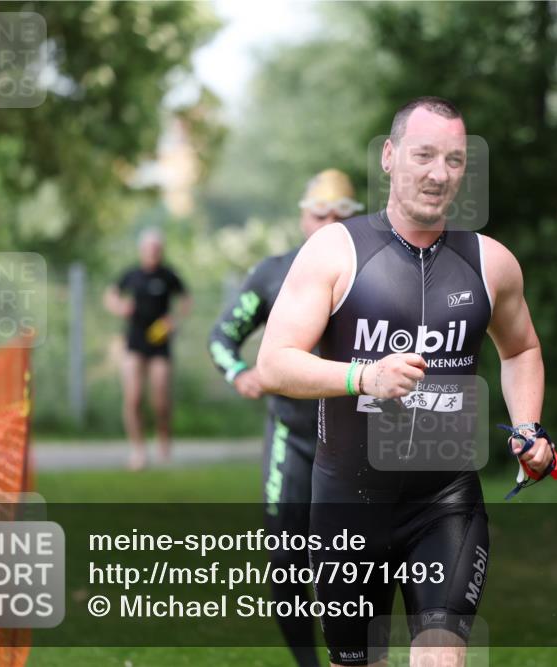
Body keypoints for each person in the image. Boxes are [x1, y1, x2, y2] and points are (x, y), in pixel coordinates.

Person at [257, 97, 557, 667]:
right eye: (423, 155)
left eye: (453, 160)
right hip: (349, 505)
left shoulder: (490, 264)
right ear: (390, 157)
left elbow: (522, 349)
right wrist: (362, 375)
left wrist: (527, 428)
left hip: (445, 504)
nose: (438, 173)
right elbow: (274, 363)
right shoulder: (336, 250)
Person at [208, 169, 363, 667]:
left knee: (358, 563)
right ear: (303, 215)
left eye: (341, 215)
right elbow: (222, 335)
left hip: (357, 443)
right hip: (292, 439)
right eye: (319, 213)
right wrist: (238, 372)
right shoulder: (272, 273)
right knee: (287, 563)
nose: (328, 223)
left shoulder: (374, 272)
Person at [104, 228, 191, 470]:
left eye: (156, 248)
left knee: (161, 399)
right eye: (148, 248)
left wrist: (173, 320)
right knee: (133, 398)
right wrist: (120, 306)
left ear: (160, 250)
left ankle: (164, 440)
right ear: (142, 250)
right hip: (134, 343)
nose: (152, 252)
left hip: (160, 344)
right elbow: (110, 296)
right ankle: (138, 451)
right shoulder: (131, 274)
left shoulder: (168, 275)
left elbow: (186, 300)